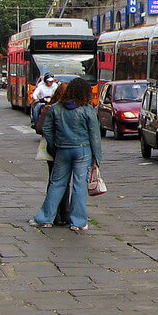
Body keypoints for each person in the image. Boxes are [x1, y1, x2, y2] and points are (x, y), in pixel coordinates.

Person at [30, 78, 102, 232]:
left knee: (57, 183)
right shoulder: (87, 109)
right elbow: (94, 135)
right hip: (82, 150)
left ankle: (45, 218)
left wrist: (53, 145)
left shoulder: (56, 108)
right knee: (79, 185)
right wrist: (97, 158)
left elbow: (47, 129)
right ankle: (78, 221)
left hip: (62, 149)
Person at [40, 82, 72, 226]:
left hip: (54, 149)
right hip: (63, 149)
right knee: (63, 181)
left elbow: (40, 127)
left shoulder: (50, 108)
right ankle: (63, 213)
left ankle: (55, 213)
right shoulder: (68, 109)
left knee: (54, 180)